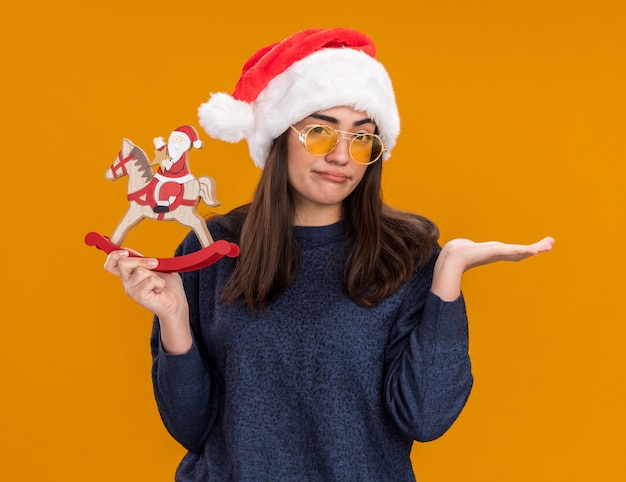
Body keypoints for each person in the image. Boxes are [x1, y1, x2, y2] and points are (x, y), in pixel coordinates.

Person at [104, 28, 554, 481]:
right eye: (319, 132)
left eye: (362, 138)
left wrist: (449, 272)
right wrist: (174, 320)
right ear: (281, 134)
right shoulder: (212, 247)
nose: (341, 155)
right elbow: (191, 427)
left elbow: (425, 417)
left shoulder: (407, 255)